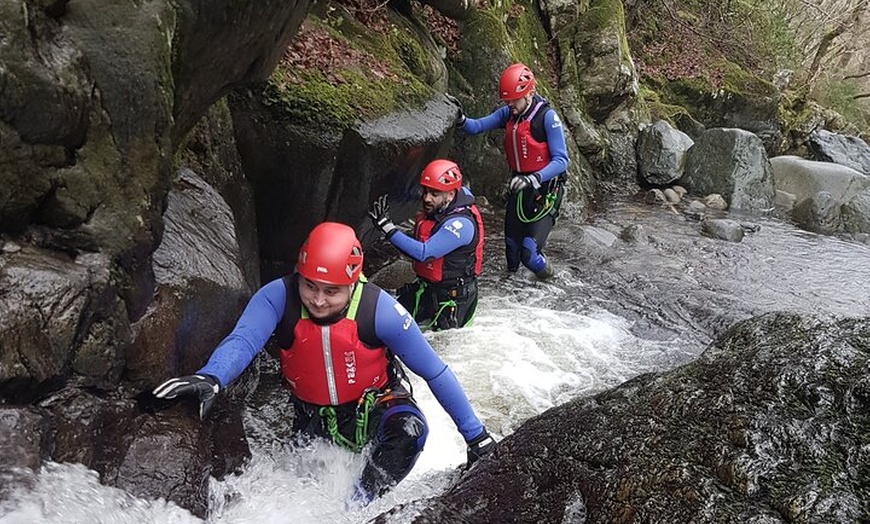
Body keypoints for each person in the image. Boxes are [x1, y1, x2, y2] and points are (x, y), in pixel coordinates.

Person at [153, 222, 494, 504]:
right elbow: (245, 339)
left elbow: (434, 371)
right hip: (314, 417)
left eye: (331, 291)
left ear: (352, 282)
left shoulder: (380, 311)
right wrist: (212, 377)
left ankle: (357, 507)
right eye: (310, 286)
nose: (317, 300)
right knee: (302, 483)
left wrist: (475, 436)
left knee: (410, 434)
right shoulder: (278, 296)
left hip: (374, 406)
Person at [453, 62, 569, 280]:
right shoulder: (508, 113)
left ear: (530, 93)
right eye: (507, 101)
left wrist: (535, 177)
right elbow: (475, 126)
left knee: (529, 254)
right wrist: (460, 119)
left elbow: (562, 160)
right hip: (519, 187)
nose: (510, 105)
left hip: (545, 189)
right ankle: (513, 294)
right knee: (512, 252)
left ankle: (552, 281)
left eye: (514, 100)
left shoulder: (547, 118)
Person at [368, 159, 484, 330]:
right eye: (425, 192)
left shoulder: (461, 225)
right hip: (427, 290)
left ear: (451, 194)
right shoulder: (440, 209)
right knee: (385, 326)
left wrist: (388, 228)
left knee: (439, 347)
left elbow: (424, 253)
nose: (427, 198)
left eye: (434, 194)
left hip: (453, 300)